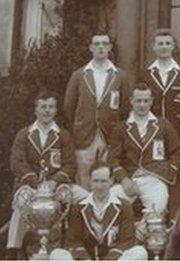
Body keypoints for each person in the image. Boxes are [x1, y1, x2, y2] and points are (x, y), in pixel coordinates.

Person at [7, 92, 88, 253]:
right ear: (36, 110)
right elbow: (17, 162)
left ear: (56, 110)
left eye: (51, 107)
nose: (47, 111)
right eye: (43, 107)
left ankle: (78, 245)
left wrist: (53, 182)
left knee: (86, 198)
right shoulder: (25, 134)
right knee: (20, 204)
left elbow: (70, 165)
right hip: (31, 187)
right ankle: (13, 249)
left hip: (57, 187)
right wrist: (36, 182)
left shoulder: (62, 135)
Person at [64, 30, 130, 190]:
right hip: (84, 136)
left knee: (107, 179)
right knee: (84, 180)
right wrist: (77, 128)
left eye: (105, 44)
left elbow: (125, 108)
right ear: (90, 48)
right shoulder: (79, 75)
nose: (101, 47)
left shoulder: (120, 76)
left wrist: (116, 132)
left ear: (110, 47)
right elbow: (68, 108)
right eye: (97, 44)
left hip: (109, 136)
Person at [108, 83, 180, 217]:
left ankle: (142, 235)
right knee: (109, 205)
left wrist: (169, 171)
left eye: (145, 101)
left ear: (151, 102)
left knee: (157, 208)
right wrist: (124, 180)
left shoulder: (163, 124)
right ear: (131, 101)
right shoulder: (121, 127)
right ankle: (125, 235)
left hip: (155, 178)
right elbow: (113, 158)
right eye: (138, 101)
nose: (142, 105)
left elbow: (177, 151)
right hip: (130, 179)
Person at [49, 162, 148, 260]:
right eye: (96, 181)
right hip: (87, 258)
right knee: (57, 254)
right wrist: (85, 259)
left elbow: (126, 241)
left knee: (140, 252)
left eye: (103, 181)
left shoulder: (124, 206)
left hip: (114, 259)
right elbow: (73, 241)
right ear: (90, 181)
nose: (99, 186)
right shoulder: (78, 207)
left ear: (111, 181)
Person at [139, 29, 180, 140]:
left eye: (167, 43)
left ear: (173, 46)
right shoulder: (145, 74)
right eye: (160, 44)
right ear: (154, 47)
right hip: (151, 131)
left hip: (178, 132)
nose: (164, 47)